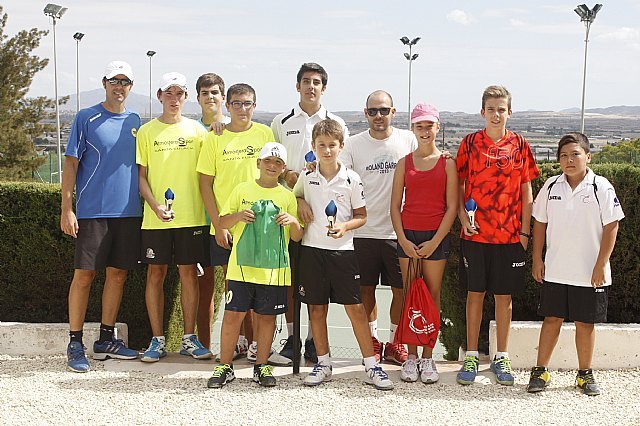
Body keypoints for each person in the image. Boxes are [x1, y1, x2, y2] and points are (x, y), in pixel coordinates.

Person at [294, 119, 394, 391]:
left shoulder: (351, 178)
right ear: (314, 147)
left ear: (341, 147)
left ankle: (372, 365)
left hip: (343, 253)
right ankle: (323, 364)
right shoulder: (307, 176)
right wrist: (300, 201)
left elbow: (362, 216)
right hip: (312, 251)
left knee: (356, 309)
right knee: (316, 308)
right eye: (321, 146)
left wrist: (344, 226)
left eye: (332, 146)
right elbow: (295, 198)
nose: (327, 151)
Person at [197, 83, 290, 366]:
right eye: (236, 103)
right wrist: (219, 224)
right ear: (228, 105)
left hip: (261, 230)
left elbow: (276, 173)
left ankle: (254, 347)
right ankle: (236, 346)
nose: (242, 108)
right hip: (228, 226)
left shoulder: (264, 134)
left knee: (257, 286)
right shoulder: (216, 136)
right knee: (233, 290)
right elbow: (205, 183)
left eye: (247, 103)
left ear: (254, 105)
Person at [527, 132, 624, 396]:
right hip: (556, 270)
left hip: (589, 273)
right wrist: (537, 259)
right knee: (551, 320)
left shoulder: (601, 187)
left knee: (585, 323)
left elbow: (611, 226)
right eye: (564, 156)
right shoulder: (550, 186)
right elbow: (539, 223)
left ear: (588, 156)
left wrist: (600, 264)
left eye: (575, 154)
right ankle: (540, 371)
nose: (569, 160)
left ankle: (585, 374)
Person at [456, 85, 540, 386]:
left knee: (504, 298)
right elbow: (460, 185)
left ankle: (501, 356)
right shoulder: (468, 144)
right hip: (475, 235)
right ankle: (472, 355)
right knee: (474, 295)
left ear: (509, 112)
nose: (496, 114)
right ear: (482, 112)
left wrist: (525, 232)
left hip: (509, 237)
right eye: (490, 109)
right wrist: (462, 219)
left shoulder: (519, 144)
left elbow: (526, 189)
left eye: (501, 109)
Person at [61, 60, 142, 372]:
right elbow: (71, 165)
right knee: (84, 276)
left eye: (125, 82)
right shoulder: (86, 117)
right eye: (114, 80)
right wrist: (67, 209)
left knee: (118, 274)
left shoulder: (136, 121)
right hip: (93, 212)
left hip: (129, 213)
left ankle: (106, 339)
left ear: (131, 87)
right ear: (105, 83)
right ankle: (75, 342)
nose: (119, 86)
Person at [206, 142, 303, 389]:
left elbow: (297, 236)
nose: (272, 166)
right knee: (232, 316)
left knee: (267, 318)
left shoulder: (286, 196)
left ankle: (261, 366)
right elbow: (222, 221)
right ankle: (224, 367)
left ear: (283, 169)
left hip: (274, 271)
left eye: (278, 163)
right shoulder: (242, 189)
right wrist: (239, 216)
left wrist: (292, 220)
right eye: (268, 161)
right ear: (258, 163)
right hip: (241, 268)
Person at [271, 62, 349, 363]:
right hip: (290, 211)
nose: (311, 86)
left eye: (316, 82)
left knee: (319, 283)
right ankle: (292, 339)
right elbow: (272, 162)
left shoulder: (336, 122)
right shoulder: (281, 121)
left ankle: (314, 340)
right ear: (297, 86)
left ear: (324, 88)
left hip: (322, 215)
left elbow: (344, 168)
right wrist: (289, 178)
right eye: (306, 81)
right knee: (291, 280)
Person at [136, 72, 212, 362]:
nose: (174, 99)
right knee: (155, 274)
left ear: (185, 97)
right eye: (169, 93)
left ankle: (189, 339)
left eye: (179, 93)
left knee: (188, 273)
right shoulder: (146, 132)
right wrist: (155, 205)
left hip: (192, 217)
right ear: (159, 96)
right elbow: (141, 178)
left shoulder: (198, 131)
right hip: (156, 219)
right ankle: (157, 340)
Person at [339, 90, 416, 364]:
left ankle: (396, 343)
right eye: (373, 111)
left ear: (393, 112)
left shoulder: (409, 139)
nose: (379, 116)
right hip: (362, 232)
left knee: (401, 291)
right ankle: (371, 342)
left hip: (397, 232)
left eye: (384, 110)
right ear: (365, 114)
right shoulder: (352, 144)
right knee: (365, 291)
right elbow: (339, 179)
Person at [390, 103, 458, 383]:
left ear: (437, 127)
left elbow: (452, 208)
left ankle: (429, 357)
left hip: (435, 238)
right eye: (419, 126)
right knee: (409, 297)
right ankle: (412, 356)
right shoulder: (404, 163)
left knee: (431, 297)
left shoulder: (448, 163)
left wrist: (434, 242)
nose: (425, 131)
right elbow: (395, 207)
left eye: (429, 125)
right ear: (413, 129)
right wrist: (403, 240)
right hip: (409, 237)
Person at [193, 73, 231, 353]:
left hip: (231, 223)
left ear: (224, 97)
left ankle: (242, 345)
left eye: (215, 92)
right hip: (197, 220)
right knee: (204, 289)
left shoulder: (235, 129)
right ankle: (204, 346)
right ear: (198, 98)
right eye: (205, 93)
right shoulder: (190, 130)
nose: (210, 97)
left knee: (236, 288)